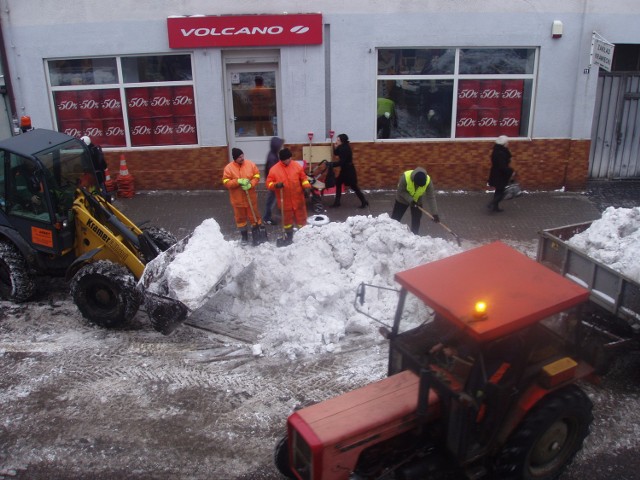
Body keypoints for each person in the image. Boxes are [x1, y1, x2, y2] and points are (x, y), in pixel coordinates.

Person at [266, 148, 312, 245]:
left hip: (298, 199)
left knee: (301, 219)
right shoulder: (274, 170)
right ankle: (288, 237)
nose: (289, 160)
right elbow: (268, 184)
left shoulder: (296, 166)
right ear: (282, 160)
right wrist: (276, 185)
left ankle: (303, 236)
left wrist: (307, 187)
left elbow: (303, 178)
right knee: (287, 221)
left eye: (290, 158)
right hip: (285, 201)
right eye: (287, 159)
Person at [222, 148, 263, 245]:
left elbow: (257, 176)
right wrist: (238, 181)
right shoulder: (228, 168)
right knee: (240, 219)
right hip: (238, 200)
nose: (242, 158)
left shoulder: (250, 164)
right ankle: (244, 237)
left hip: (251, 199)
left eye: (242, 155)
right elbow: (226, 182)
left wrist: (251, 184)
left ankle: (257, 235)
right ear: (235, 158)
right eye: (240, 157)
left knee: (255, 217)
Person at [391, 167, 440, 235]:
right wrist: (411, 200)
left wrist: (435, 214)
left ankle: (414, 236)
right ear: (414, 180)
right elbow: (401, 191)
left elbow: (431, 197)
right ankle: (390, 234)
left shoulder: (428, 181)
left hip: (417, 200)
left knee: (416, 220)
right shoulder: (405, 177)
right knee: (395, 219)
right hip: (402, 199)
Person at [329, 134, 368, 209]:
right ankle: (337, 202)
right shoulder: (342, 146)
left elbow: (342, 162)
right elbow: (336, 153)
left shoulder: (345, 149)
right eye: (337, 139)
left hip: (349, 171)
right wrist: (336, 147)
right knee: (338, 183)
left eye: (338, 140)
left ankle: (364, 201)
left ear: (342, 141)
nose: (336, 141)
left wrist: (332, 164)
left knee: (354, 186)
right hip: (344, 170)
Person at [487, 135, 515, 213]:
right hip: (500, 175)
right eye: (507, 142)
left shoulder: (497, 150)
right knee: (501, 191)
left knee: (499, 190)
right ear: (503, 143)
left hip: (496, 173)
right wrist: (510, 171)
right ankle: (492, 204)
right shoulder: (501, 152)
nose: (508, 143)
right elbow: (502, 166)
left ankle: (495, 206)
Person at [262, 137, 284, 225]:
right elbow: (273, 172)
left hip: (272, 182)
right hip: (273, 183)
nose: (281, 147)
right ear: (276, 146)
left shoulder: (273, 154)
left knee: (272, 199)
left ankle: (269, 215)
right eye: (280, 146)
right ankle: (267, 217)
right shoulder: (272, 157)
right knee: (271, 200)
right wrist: (276, 183)